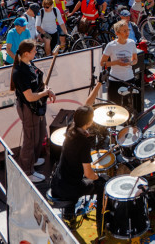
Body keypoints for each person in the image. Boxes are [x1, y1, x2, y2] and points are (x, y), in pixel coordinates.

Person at [49, 86, 104, 230]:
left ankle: (69, 217)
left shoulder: (70, 127)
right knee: (101, 184)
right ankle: (101, 222)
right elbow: (88, 174)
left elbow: (87, 105)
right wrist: (99, 177)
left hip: (56, 182)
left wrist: (98, 84)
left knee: (72, 176)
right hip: (69, 189)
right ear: (89, 123)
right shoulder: (83, 142)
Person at [12, 40, 54, 183]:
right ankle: (27, 171)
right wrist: (45, 93)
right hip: (28, 108)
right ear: (26, 53)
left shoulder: (29, 64)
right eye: (34, 51)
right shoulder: (20, 71)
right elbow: (29, 97)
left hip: (37, 107)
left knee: (40, 134)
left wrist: (47, 90)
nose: (36, 53)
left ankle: (33, 160)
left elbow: (39, 82)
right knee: (30, 139)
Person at [100, 20, 138, 115]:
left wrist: (131, 63)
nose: (127, 33)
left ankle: (127, 127)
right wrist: (116, 62)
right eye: (124, 31)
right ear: (117, 33)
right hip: (115, 80)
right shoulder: (111, 46)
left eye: (127, 30)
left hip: (129, 79)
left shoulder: (132, 43)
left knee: (128, 108)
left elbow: (135, 59)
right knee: (114, 109)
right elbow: (102, 63)